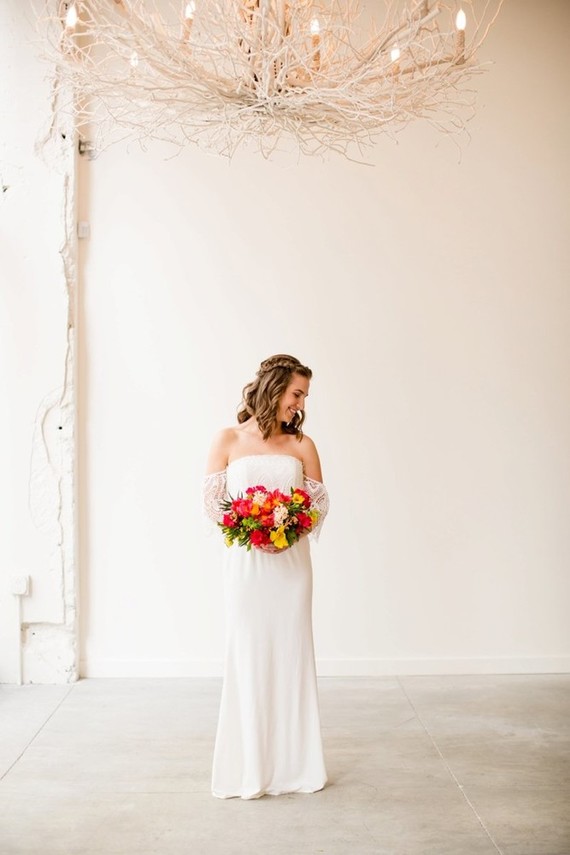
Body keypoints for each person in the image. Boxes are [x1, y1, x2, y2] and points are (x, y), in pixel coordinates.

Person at [203, 354, 329, 800]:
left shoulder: (302, 445)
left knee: (291, 654)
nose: (300, 405)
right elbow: (214, 504)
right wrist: (252, 530)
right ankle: (250, 766)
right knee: (249, 653)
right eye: (296, 394)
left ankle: (295, 766)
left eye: (304, 397)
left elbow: (317, 505)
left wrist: (287, 530)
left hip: (291, 568)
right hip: (246, 568)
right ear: (274, 388)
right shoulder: (227, 439)